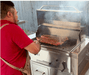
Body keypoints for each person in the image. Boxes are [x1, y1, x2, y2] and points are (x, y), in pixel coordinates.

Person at [0, 1, 41, 75]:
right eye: (16, 13)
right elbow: (35, 50)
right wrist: (38, 42)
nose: (17, 16)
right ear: (9, 14)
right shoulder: (12, 28)